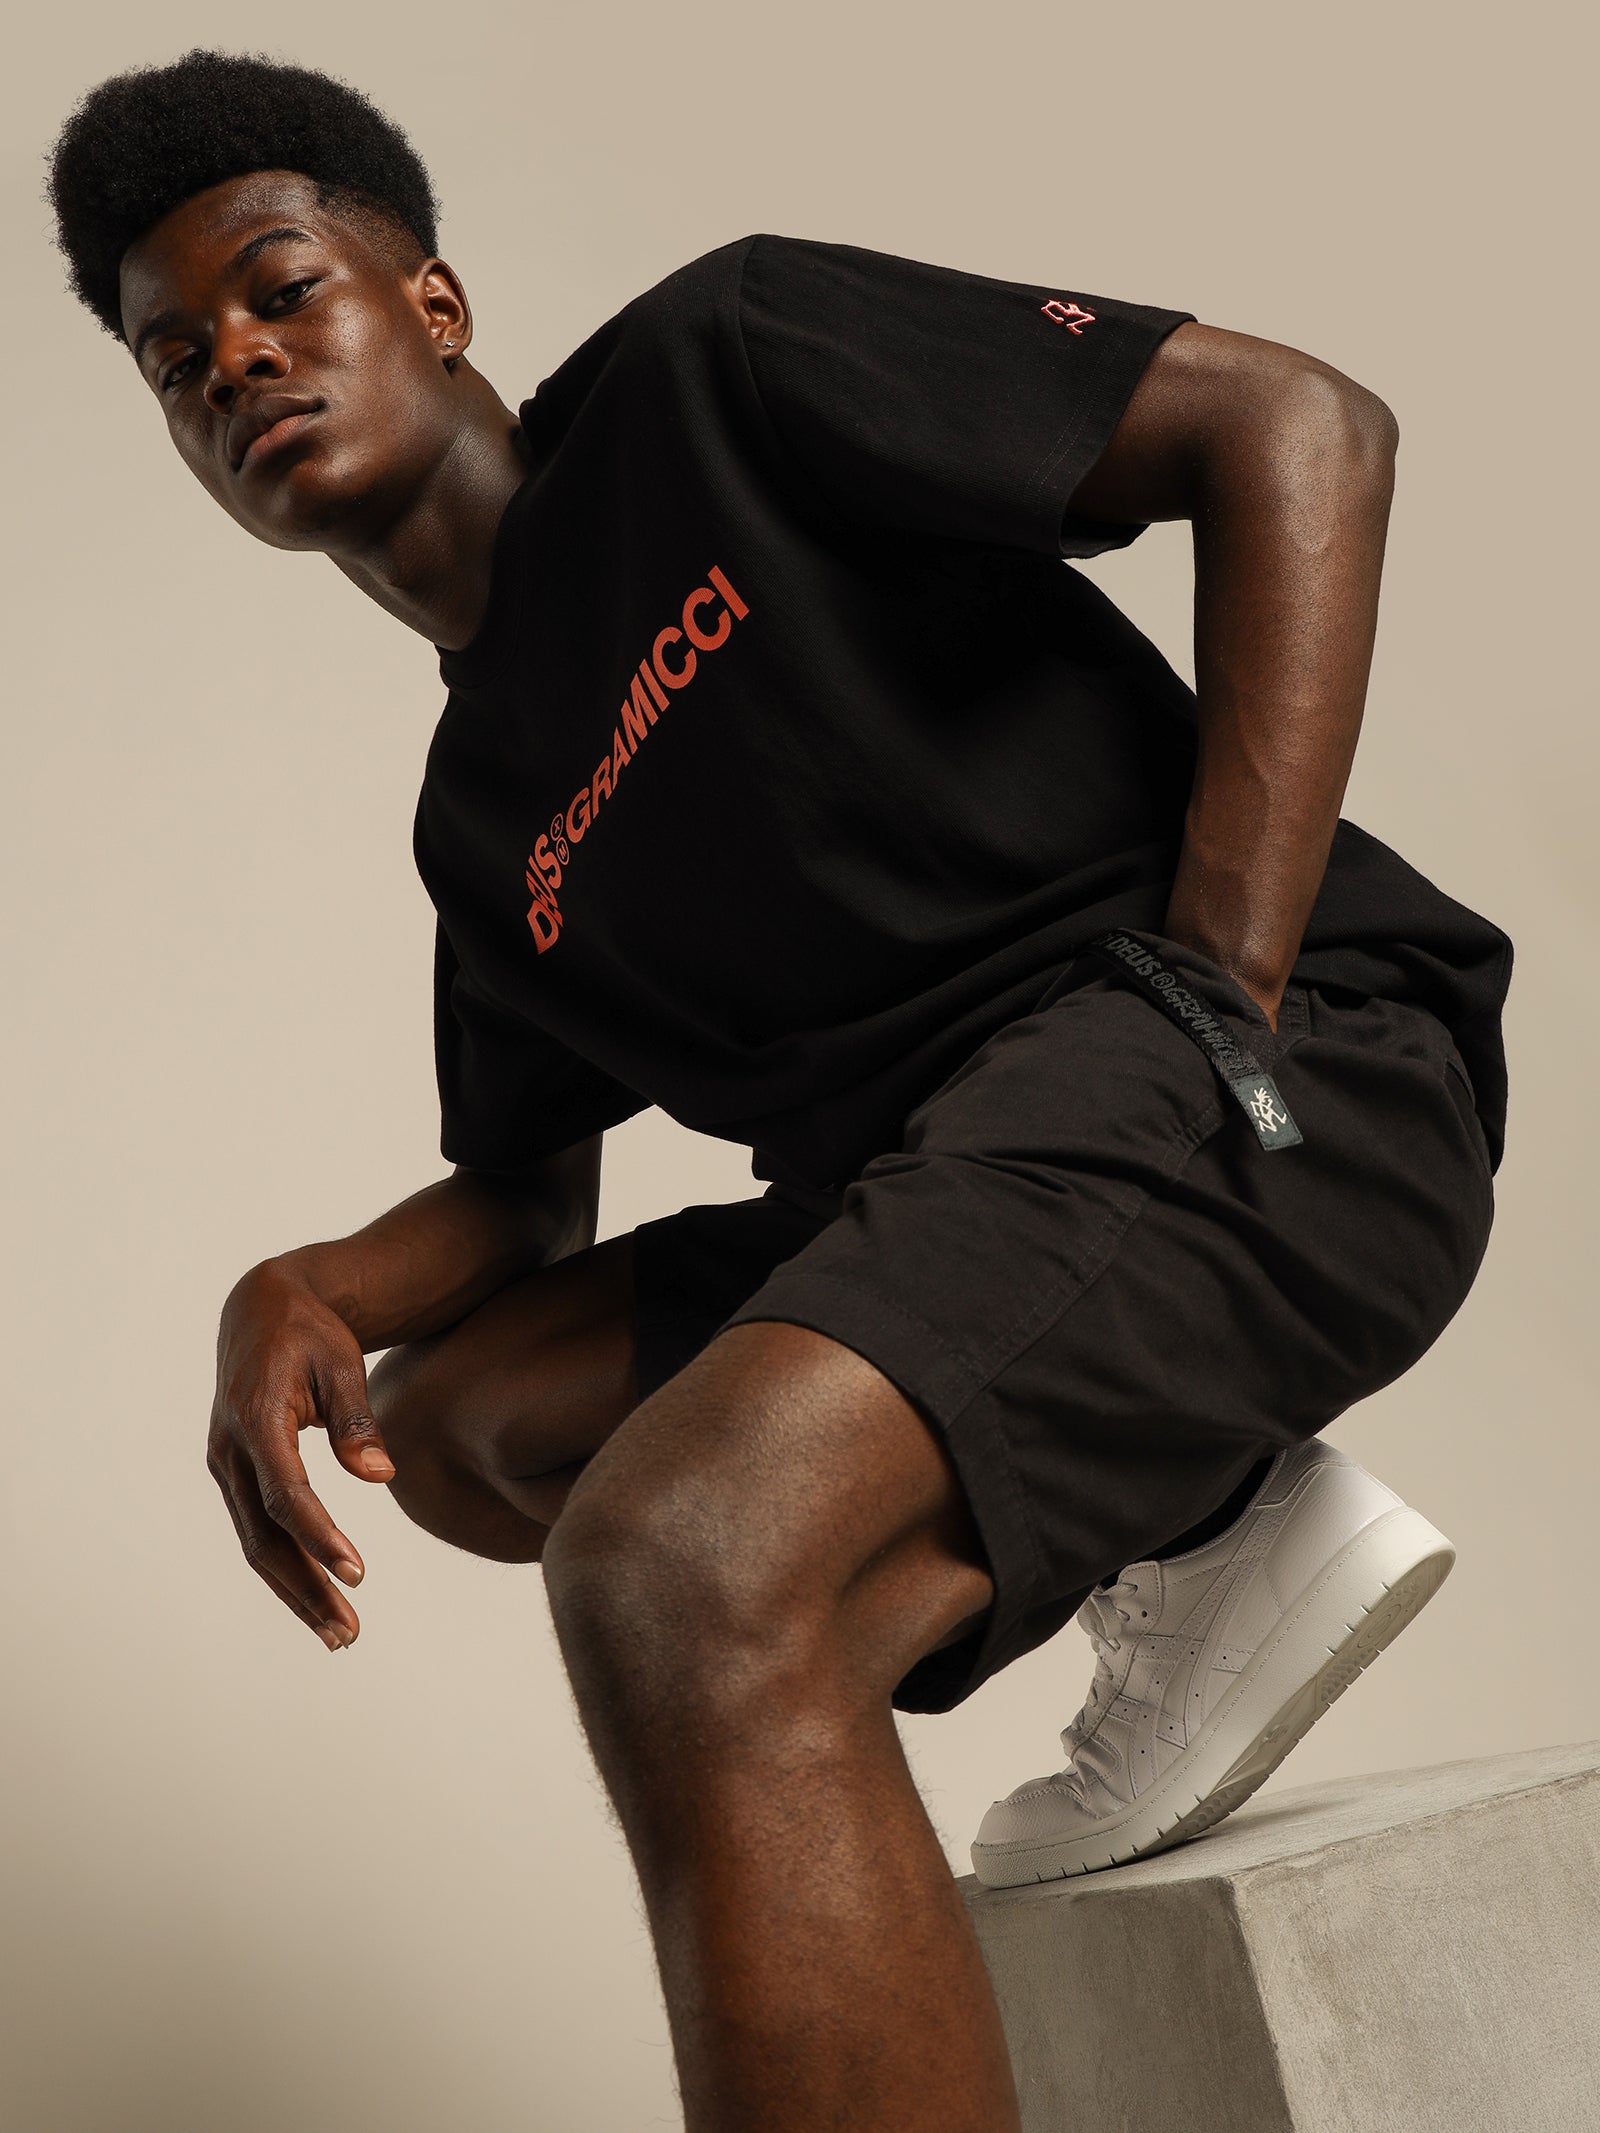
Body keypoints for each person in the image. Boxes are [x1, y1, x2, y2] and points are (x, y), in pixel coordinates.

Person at [48, 47, 1510, 2133]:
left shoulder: (712, 373)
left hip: (1281, 1078)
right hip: (981, 1192)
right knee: (466, 1424)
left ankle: (1162, 1510)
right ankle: (1204, 1531)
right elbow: (525, 1203)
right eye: (176, 361)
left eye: (280, 292)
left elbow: (1298, 424)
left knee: (682, 1560)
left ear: (433, 305)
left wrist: (1218, 978)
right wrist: (302, 1286)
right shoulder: (485, 823)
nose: (238, 364)